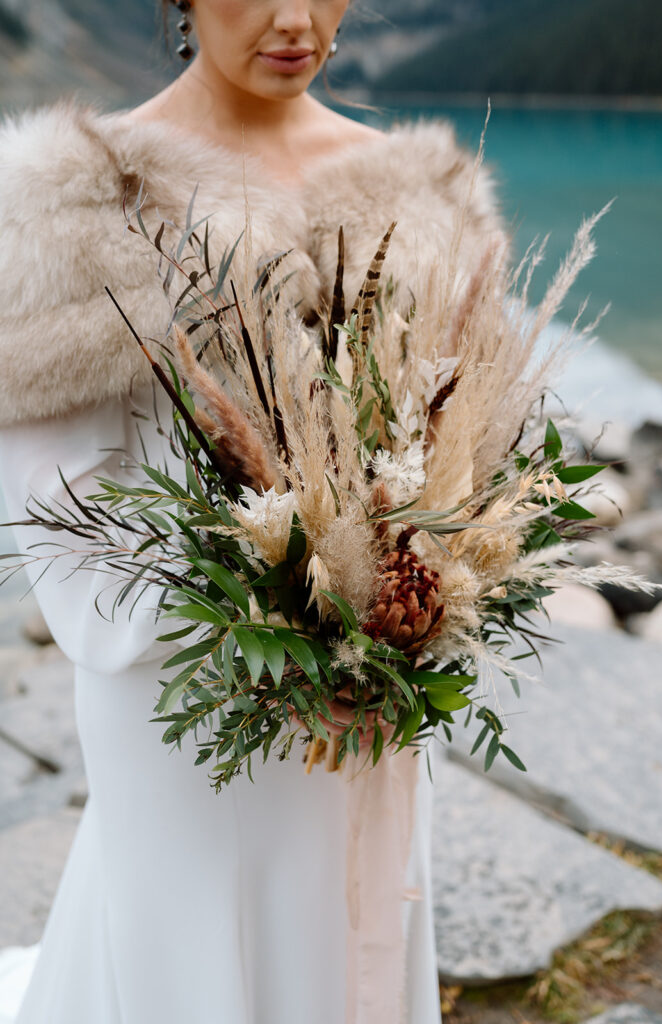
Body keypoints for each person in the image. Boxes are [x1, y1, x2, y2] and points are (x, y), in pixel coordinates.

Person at [0, 2, 504, 1021]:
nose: (294, 19)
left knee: (350, 916)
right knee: (186, 940)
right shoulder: (78, 203)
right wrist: (286, 617)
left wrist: (417, 601)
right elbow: (61, 507)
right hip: (183, 688)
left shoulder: (427, 192)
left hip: (374, 688)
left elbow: (469, 446)